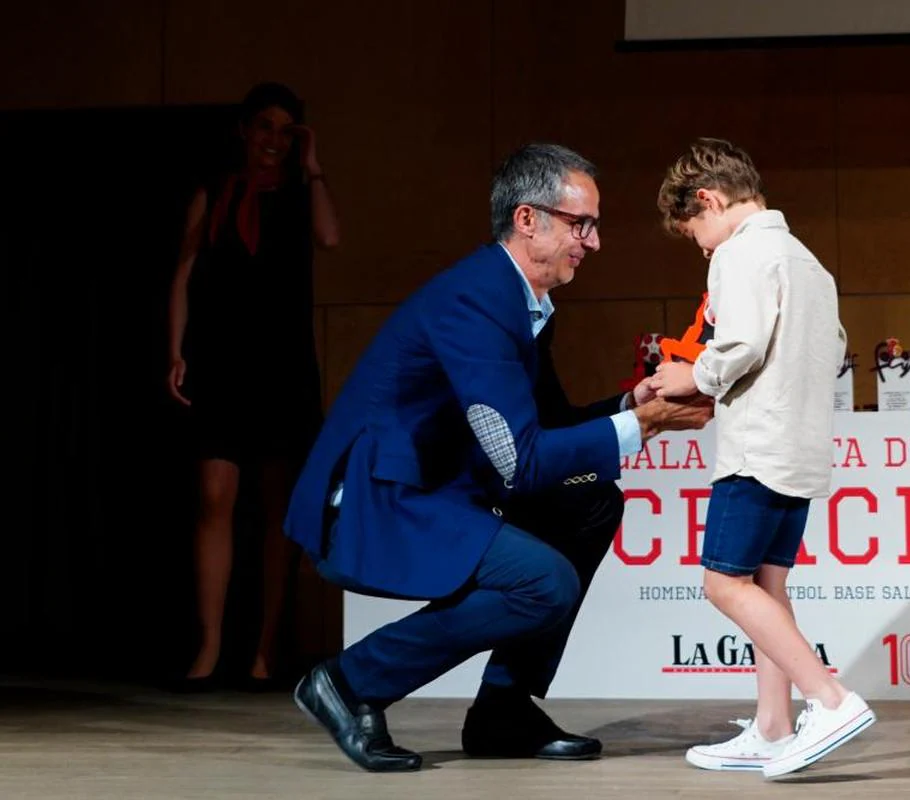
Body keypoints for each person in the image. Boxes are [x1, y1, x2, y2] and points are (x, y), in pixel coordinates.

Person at [285, 143, 714, 773]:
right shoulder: (478, 300)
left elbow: (540, 429)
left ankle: (504, 711)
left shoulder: (523, 303)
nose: (592, 242)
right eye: (581, 224)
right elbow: (524, 461)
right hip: (379, 498)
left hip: (439, 486)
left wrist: (632, 401)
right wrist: (643, 423)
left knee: (591, 501)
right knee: (544, 581)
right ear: (526, 219)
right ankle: (349, 683)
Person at [650, 138, 873, 779]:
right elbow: (832, 349)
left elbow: (741, 344)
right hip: (801, 447)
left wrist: (688, 376)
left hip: (756, 450)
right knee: (768, 587)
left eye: (697, 233)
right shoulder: (808, 263)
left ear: (709, 201)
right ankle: (773, 728)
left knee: (724, 583)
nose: (702, 246)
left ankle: (829, 701)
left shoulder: (742, 251)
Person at [166, 82, 340, 691]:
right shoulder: (213, 192)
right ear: (244, 130)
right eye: (264, 126)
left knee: (277, 506)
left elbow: (330, 238)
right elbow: (185, 271)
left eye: (285, 130)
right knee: (214, 497)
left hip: (282, 362)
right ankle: (210, 647)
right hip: (219, 359)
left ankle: (265, 650)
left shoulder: (298, 193)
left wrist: (313, 167)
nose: (273, 139)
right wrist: (176, 350)